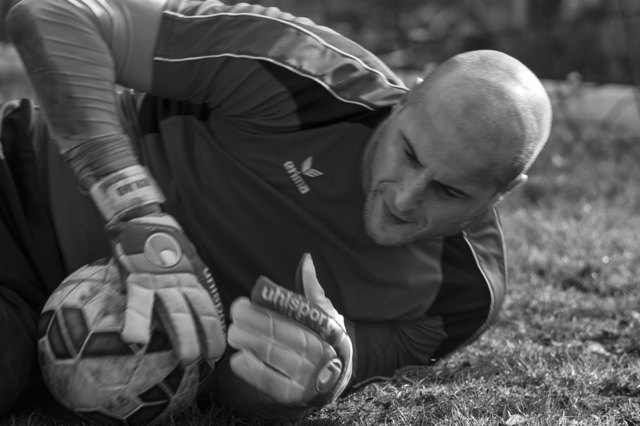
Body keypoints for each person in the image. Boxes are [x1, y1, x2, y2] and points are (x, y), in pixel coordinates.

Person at [1, 0, 552, 421]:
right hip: (19, 183)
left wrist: (299, 386)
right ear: (407, 95)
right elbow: (52, 17)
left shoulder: (461, 296)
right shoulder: (305, 72)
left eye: (449, 193)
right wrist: (132, 210)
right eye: (407, 152)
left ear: (503, 193)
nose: (404, 198)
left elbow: (245, 392)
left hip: (37, 315)